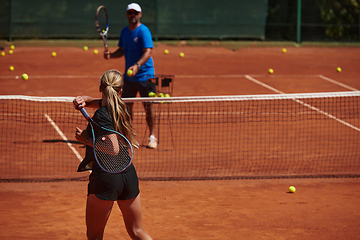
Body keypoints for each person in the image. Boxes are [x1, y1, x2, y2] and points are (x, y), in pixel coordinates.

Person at [73, 69, 153, 240]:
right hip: (128, 175)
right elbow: (105, 104)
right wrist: (86, 101)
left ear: (100, 88)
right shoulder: (121, 108)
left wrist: (85, 139)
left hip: (106, 179)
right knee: (137, 232)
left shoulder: (102, 114)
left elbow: (112, 148)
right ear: (121, 91)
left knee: (95, 236)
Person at [104, 3, 157, 149]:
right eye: (130, 12)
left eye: (135, 13)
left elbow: (148, 52)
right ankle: (127, 136)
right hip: (129, 78)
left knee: (149, 107)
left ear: (140, 14)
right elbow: (122, 51)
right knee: (126, 108)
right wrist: (111, 55)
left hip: (145, 75)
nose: (132, 15)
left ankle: (152, 136)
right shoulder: (125, 32)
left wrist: (137, 66)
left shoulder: (143, 31)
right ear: (127, 14)